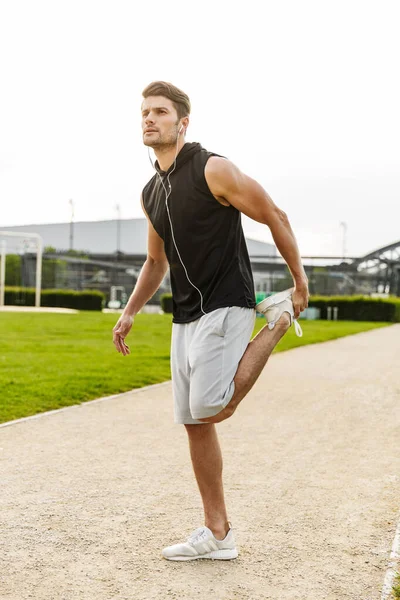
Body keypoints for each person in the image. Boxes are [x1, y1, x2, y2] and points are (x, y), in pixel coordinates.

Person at [112, 81, 309, 561]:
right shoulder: (150, 191)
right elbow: (155, 262)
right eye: (144, 112)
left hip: (227, 301)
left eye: (160, 111)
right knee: (194, 423)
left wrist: (298, 282)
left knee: (210, 408)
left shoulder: (212, 168)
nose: (149, 118)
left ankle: (277, 320)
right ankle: (217, 534)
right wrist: (130, 310)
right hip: (185, 316)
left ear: (182, 122)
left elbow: (274, 214)